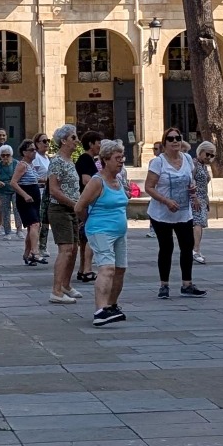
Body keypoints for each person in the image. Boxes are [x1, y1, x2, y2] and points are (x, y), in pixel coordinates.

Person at [146, 126, 207, 299]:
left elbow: (190, 181)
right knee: (166, 247)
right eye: (171, 139)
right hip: (161, 213)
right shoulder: (158, 162)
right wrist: (165, 201)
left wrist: (194, 196)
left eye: (178, 138)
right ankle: (164, 285)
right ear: (164, 143)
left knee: (187, 246)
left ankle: (187, 284)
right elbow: (149, 187)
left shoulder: (187, 158)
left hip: (184, 212)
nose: (175, 141)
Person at [76, 139, 132, 326]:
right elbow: (79, 207)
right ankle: (100, 311)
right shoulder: (97, 181)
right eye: (117, 158)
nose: (121, 161)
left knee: (120, 268)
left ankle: (111, 305)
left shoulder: (119, 179)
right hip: (100, 230)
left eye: (122, 158)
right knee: (107, 268)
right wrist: (88, 222)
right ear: (106, 160)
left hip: (119, 232)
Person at [45, 124, 85, 305]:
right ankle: (56, 291)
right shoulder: (57, 162)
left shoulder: (70, 161)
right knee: (66, 249)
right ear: (63, 141)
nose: (77, 141)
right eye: (73, 138)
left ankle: (66, 285)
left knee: (74, 248)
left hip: (72, 209)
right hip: (60, 209)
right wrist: (74, 204)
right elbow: (54, 190)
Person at [9, 139, 47, 266]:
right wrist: (25, 195)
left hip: (34, 199)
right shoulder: (22, 165)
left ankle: (27, 254)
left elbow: (35, 179)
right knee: (34, 224)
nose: (34, 152)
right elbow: (13, 182)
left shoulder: (31, 165)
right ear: (24, 152)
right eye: (31, 150)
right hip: (25, 200)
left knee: (33, 226)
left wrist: (48, 180)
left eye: (35, 149)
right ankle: (35, 252)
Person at [75, 130, 102, 283]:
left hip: (85, 202)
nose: (100, 146)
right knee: (89, 236)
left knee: (85, 238)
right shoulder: (85, 159)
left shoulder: (88, 159)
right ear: (91, 144)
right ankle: (87, 269)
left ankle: (82, 269)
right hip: (86, 203)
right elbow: (86, 181)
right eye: (98, 143)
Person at [190, 141, 214, 265]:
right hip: (196, 199)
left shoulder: (203, 166)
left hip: (203, 199)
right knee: (198, 223)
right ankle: (195, 250)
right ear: (200, 151)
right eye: (207, 154)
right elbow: (190, 181)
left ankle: (196, 249)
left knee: (199, 224)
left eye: (212, 155)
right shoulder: (194, 164)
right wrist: (194, 197)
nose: (209, 157)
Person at [0, 144, 21, 239]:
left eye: (7, 155)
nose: (5, 157)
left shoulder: (16, 163)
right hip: (3, 191)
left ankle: (19, 230)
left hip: (15, 190)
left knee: (17, 209)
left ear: (11, 155)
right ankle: (7, 232)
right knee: (5, 211)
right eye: (2, 155)